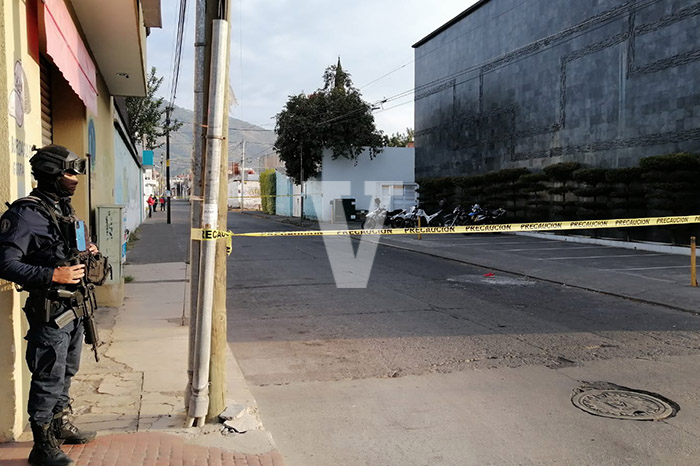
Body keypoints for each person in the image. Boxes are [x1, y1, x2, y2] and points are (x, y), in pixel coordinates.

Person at [0, 145, 99, 466]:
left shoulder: (62, 208)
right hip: (50, 311)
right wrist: (52, 274)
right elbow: (5, 263)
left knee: (67, 370)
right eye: (69, 173)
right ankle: (42, 445)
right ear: (51, 174)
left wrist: (88, 252)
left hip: (75, 308)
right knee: (48, 376)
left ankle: (58, 426)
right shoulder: (24, 215)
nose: (75, 179)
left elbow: (64, 248)